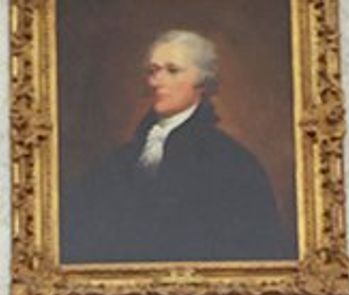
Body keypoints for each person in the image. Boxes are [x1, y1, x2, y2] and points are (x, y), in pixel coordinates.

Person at [61, 29, 294, 264]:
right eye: (153, 71)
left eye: (172, 70)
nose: (156, 81)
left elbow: (250, 250)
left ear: (201, 82)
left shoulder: (232, 162)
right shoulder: (122, 159)